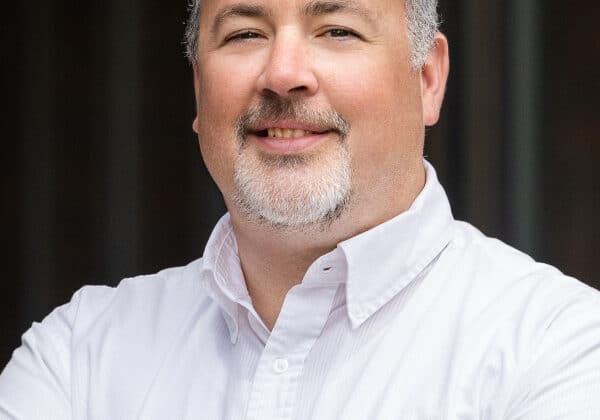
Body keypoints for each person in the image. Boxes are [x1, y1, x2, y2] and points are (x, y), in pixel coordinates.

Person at [1, 0, 600, 418]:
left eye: (337, 29)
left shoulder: (559, 349)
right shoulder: (81, 355)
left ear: (427, 79)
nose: (284, 73)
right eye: (243, 34)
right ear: (197, 89)